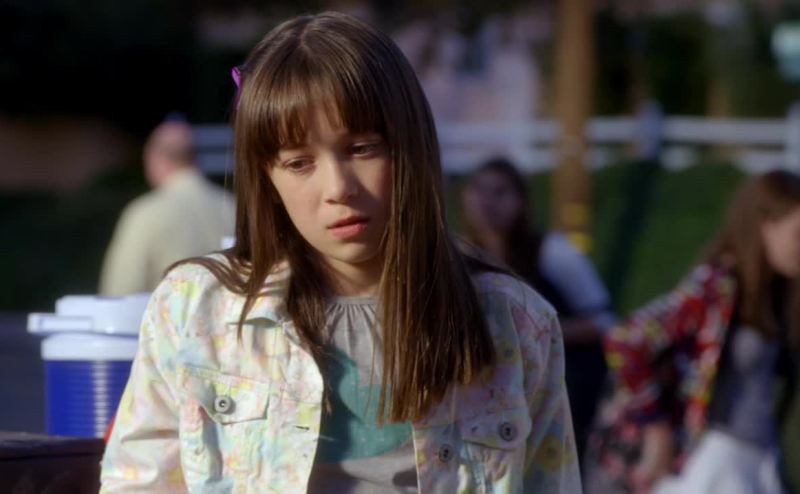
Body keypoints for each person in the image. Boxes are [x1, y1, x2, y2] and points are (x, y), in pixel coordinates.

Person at [99, 12, 581, 493]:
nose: (338, 188)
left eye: (363, 148)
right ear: (267, 178)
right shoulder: (193, 310)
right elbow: (138, 483)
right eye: (298, 162)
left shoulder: (515, 322)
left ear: (411, 146)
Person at [587, 170, 800, 494]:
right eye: (798, 234)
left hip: (760, 459)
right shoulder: (718, 286)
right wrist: (655, 428)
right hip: (716, 458)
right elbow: (626, 340)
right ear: (765, 225)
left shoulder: (778, 293)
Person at [461, 157, 616, 459]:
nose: (487, 202)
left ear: (521, 202)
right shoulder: (460, 257)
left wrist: (533, 331)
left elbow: (604, 321)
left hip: (559, 388)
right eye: (479, 190)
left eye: (500, 192)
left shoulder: (553, 253)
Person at [98, 118, 234, 295]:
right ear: (194, 158)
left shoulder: (145, 213)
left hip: (168, 312)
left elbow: (121, 290)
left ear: (154, 159)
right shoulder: (232, 206)